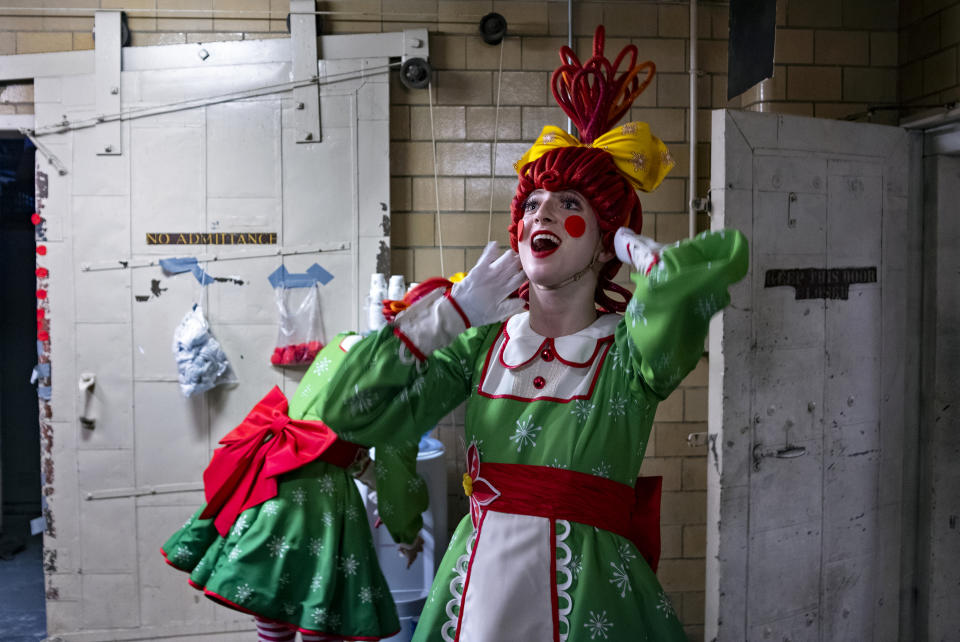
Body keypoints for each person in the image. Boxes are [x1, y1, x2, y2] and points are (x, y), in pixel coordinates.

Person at [315, 26, 748, 641]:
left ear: (604, 246)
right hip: (481, 590)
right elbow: (346, 411)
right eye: (533, 202)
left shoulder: (628, 352)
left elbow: (705, 278)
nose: (541, 212)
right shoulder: (478, 344)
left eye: (568, 203)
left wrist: (657, 272)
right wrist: (448, 314)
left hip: (594, 601)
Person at [161, 335, 427, 642]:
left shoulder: (343, 342)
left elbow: (330, 434)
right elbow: (396, 468)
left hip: (272, 476)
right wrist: (405, 530)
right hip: (320, 498)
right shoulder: (403, 379)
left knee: (275, 595)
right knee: (321, 608)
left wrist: (370, 478)